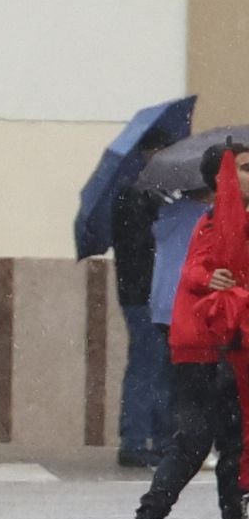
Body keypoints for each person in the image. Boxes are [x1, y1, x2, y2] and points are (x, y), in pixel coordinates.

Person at [128, 143, 249, 519]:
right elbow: (205, 271)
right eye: (246, 168)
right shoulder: (228, 220)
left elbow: (196, 269)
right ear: (224, 178)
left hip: (194, 343)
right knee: (233, 445)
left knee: (194, 438)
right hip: (219, 346)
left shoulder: (211, 218)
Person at [113, 130, 178, 467]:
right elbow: (140, 247)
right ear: (150, 153)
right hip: (143, 294)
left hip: (153, 292)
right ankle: (136, 440)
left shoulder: (155, 196)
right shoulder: (134, 196)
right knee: (147, 365)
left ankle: (158, 438)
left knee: (159, 365)